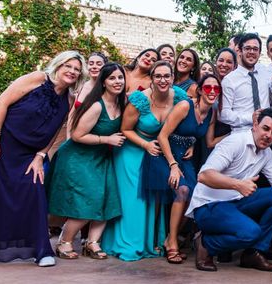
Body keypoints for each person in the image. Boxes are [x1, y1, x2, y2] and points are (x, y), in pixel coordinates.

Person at [184, 108, 272, 272]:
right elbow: (204, 176)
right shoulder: (235, 142)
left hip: (235, 203)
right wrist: (238, 184)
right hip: (209, 206)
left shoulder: (265, 153)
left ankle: (254, 253)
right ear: (255, 125)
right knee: (251, 233)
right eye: (266, 129)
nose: (269, 136)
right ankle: (205, 243)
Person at [0, 51, 87, 269]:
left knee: (32, 189)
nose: (72, 72)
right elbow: (1, 103)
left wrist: (40, 156)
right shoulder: (38, 79)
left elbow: (56, 130)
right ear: (58, 65)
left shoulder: (68, 99)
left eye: (77, 69)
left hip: (25, 153)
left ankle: (40, 249)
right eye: (69, 66)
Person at [101, 61, 188, 261]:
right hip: (133, 149)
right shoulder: (139, 100)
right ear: (151, 79)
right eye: (158, 76)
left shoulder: (180, 98)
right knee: (134, 199)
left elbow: (186, 125)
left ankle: (151, 242)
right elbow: (125, 129)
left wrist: (188, 143)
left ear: (173, 78)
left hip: (159, 151)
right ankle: (130, 243)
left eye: (167, 76)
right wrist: (145, 145)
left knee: (153, 198)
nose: (163, 80)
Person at [46, 63, 127, 260]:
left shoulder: (121, 103)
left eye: (120, 78)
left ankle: (92, 243)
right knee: (87, 202)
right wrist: (107, 139)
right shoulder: (97, 105)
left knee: (108, 201)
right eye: (112, 78)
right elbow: (76, 135)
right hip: (77, 157)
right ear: (104, 83)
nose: (117, 82)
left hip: (100, 158)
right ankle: (64, 242)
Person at [157, 74, 223, 264]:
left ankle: (171, 237)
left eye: (216, 89)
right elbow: (162, 136)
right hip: (165, 155)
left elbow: (209, 142)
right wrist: (173, 166)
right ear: (201, 90)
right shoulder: (185, 106)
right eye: (208, 88)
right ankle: (172, 244)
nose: (212, 91)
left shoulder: (212, 113)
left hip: (186, 157)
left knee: (196, 194)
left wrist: (237, 134)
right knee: (183, 190)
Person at [220, 33, 272, 132]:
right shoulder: (229, 80)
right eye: (247, 48)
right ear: (239, 51)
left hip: (266, 135)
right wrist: (250, 118)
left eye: (255, 49)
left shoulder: (265, 73)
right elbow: (224, 114)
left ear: (260, 53)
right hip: (242, 135)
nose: (251, 52)